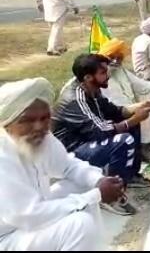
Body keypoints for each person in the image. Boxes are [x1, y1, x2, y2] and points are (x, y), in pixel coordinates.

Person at [0, 78, 126, 250]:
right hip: (7, 238)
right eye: (27, 120)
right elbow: (27, 215)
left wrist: (99, 181)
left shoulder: (41, 138)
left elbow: (68, 166)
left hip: (28, 225)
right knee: (79, 225)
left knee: (83, 184)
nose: (39, 126)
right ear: (8, 123)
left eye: (45, 118)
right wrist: (96, 195)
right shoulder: (3, 156)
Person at [53, 54, 150, 216]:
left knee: (130, 123)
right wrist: (135, 119)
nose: (108, 75)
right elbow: (100, 131)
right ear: (88, 77)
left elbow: (115, 112)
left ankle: (130, 177)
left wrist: (138, 108)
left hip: (88, 140)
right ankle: (109, 195)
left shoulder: (93, 90)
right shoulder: (75, 99)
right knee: (124, 139)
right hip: (71, 153)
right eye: (102, 73)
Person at [98, 38, 150, 163]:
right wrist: (137, 106)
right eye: (111, 57)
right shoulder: (100, 75)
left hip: (127, 106)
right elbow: (111, 104)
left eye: (119, 58)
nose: (115, 61)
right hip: (113, 112)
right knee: (142, 108)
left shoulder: (122, 71)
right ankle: (144, 148)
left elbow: (142, 84)